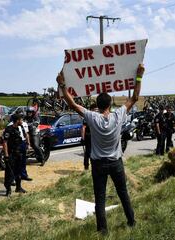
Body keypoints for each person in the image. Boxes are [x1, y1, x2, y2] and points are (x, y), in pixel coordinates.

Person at [56, 64, 144, 234]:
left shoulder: (92, 117)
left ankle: (103, 231)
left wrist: (62, 85)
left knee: (100, 198)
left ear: (96, 104)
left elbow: (73, 105)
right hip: (116, 162)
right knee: (123, 193)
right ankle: (131, 221)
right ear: (110, 104)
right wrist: (139, 76)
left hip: (98, 164)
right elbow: (134, 98)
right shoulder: (118, 115)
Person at [1, 113, 27, 196]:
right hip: (11, 154)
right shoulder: (9, 129)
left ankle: (18, 188)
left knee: (18, 171)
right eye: (21, 119)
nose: (22, 121)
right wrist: (6, 156)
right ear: (17, 120)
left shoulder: (19, 128)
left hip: (17, 153)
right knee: (9, 173)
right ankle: (8, 190)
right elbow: (5, 142)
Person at [82, 103, 97, 170]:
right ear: (91, 109)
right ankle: (87, 166)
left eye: (97, 109)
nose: (96, 111)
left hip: (95, 136)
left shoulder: (96, 116)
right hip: (89, 136)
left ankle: (92, 166)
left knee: (92, 151)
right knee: (88, 152)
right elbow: (83, 128)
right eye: (95, 109)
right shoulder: (87, 117)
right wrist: (83, 138)